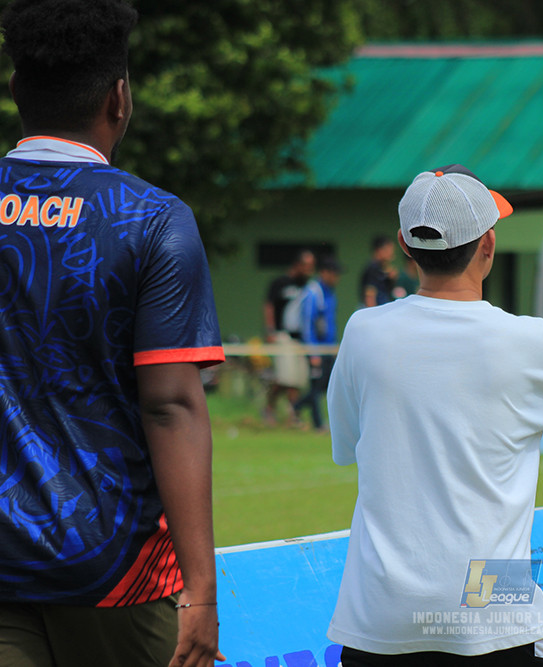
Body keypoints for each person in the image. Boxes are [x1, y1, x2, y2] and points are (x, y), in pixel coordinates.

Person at [0, 1, 225, 665]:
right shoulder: (154, 220)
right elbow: (170, 403)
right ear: (119, 99)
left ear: (15, 91)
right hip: (117, 570)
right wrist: (202, 590)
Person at [326, 164, 543, 665]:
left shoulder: (363, 331)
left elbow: (346, 444)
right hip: (491, 607)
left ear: (404, 244)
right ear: (488, 246)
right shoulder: (526, 338)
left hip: (379, 613)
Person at [262, 248, 315, 424]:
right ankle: (269, 408)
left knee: (298, 379)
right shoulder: (280, 282)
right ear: (298, 264)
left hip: (300, 337)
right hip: (282, 335)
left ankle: (294, 414)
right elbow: (269, 305)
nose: (309, 269)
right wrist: (270, 330)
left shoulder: (307, 286)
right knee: (285, 377)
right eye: (307, 265)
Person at [293, 256, 342, 432]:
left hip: (328, 348)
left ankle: (296, 406)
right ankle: (318, 423)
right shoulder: (313, 293)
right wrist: (313, 352)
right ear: (324, 273)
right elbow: (307, 324)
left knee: (326, 385)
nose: (337, 277)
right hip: (316, 349)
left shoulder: (330, 292)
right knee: (316, 385)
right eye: (334, 273)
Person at [358, 234, 398, 307]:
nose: (391, 253)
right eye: (388, 249)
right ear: (379, 250)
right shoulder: (372, 269)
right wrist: (373, 316)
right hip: (372, 313)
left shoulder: (383, 270)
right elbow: (369, 298)